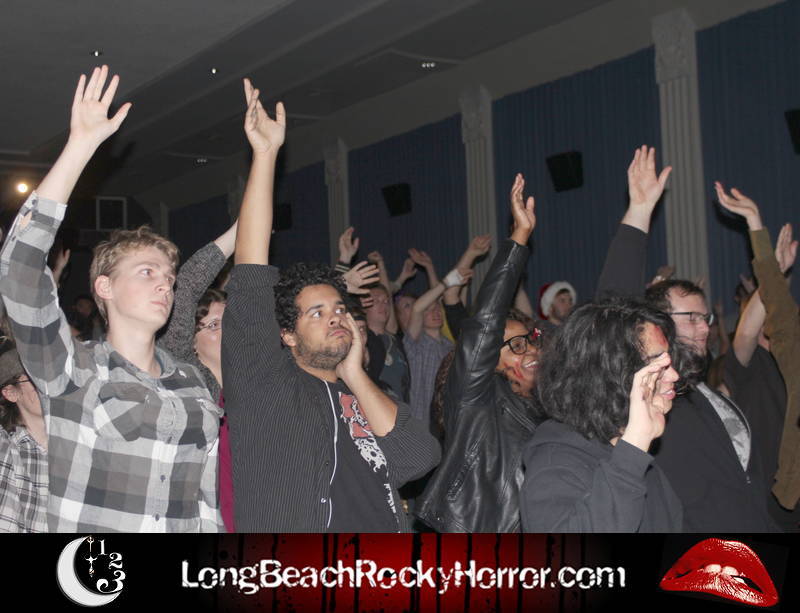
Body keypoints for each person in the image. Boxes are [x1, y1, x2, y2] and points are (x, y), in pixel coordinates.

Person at [0, 66, 223, 532]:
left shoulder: (192, 383)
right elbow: (20, 267)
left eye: (169, 277)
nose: (165, 285)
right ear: (104, 287)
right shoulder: (71, 369)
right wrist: (80, 146)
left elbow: (206, 502)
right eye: (147, 272)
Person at [220, 78, 440, 532]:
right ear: (286, 334)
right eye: (316, 313)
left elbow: (419, 458)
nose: (336, 317)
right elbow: (251, 269)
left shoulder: (363, 394)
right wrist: (266, 156)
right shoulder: (265, 384)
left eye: (339, 309)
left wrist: (355, 373)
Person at [596, 145, 778, 531]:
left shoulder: (701, 392)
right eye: (691, 317)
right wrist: (639, 212)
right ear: (658, 324)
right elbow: (612, 312)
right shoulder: (652, 391)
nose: (704, 327)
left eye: (705, 317)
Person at [416, 173, 544, 532]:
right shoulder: (476, 402)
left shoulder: (551, 402)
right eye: (516, 346)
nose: (530, 350)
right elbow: (486, 321)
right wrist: (519, 239)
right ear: (489, 363)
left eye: (530, 339)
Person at [520, 298, 682, 532]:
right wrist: (635, 444)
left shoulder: (635, 453)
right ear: (610, 373)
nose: (674, 375)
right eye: (657, 364)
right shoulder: (555, 463)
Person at [714, 184, 800, 530]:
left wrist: (774, 274)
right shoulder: (753, 365)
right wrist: (770, 265)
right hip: (772, 497)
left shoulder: (791, 358)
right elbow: (750, 330)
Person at [159, 218, 238, 532]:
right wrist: (238, 232)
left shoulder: (253, 382)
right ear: (190, 340)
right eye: (215, 325)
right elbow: (186, 288)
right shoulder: (192, 382)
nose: (228, 331)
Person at [0, 340, 48, 532]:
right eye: (34, 379)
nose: (47, 385)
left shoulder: (79, 439)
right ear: (11, 393)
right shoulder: (8, 449)